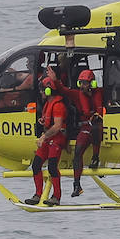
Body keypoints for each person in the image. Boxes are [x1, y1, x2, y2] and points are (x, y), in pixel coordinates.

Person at [29, 70, 69, 206]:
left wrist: (44, 136)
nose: (41, 93)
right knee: (36, 165)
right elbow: (49, 121)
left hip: (57, 139)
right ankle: (37, 194)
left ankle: (56, 196)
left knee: (52, 167)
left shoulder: (58, 105)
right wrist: (43, 121)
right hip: (48, 138)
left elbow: (57, 126)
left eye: (42, 91)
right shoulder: (48, 103)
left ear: (47, 91)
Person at [70, 68, 106, 197]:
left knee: (97, 128)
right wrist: (55, 81)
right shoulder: (77, 94)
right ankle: (76, 185)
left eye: (85, 83)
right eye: (81, 83)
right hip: (85, 127)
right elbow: (63, 90)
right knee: (77, 152)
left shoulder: (101, 92)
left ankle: (96, 158)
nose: (83, 86)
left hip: (97, 126)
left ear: (92, 83)